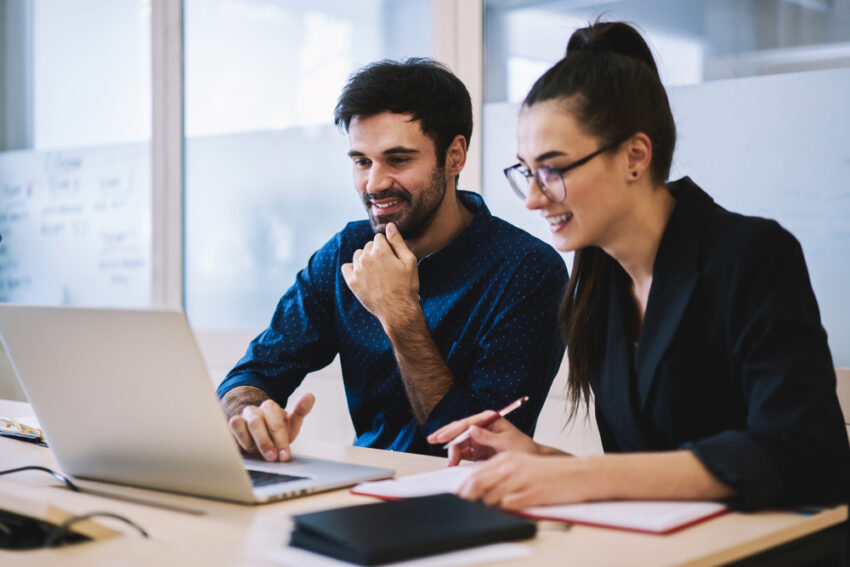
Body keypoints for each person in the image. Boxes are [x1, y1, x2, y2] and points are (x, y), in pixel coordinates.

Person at [428, 21, 850, 512]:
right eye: (527, 172)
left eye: (554, 170)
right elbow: (644, 473)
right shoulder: (599, 289)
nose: (535, 199)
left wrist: (580, 475)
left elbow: (803, 453)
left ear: (635, 156)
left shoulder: (751, 254)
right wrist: (535, 458)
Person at [217, 58, 568, 462]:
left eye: (398, 160)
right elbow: (251, 373)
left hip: (467, 499)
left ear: (455, 156)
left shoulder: (527, 271)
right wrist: (247, 413)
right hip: (358, 489)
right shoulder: (345, 252)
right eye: (362, 161)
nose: (374, 183)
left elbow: (478, 449)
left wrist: (399, 315)